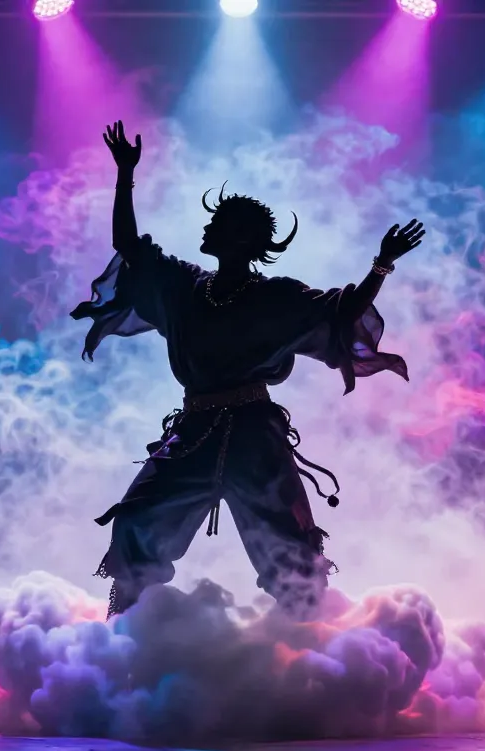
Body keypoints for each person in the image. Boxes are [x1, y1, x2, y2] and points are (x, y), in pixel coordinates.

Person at [71, 121, 424, 620]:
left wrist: (381, 265)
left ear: (240, 239)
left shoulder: (275, 297)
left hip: (255, 438)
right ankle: (125, 640)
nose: (206, 228)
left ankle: (308, 650)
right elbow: (128, 244)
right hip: (193, 432)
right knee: (135, 524)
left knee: (291, 552)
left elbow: (341, 310)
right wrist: (125, 174)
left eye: (218, 223)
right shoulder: (184, 285)